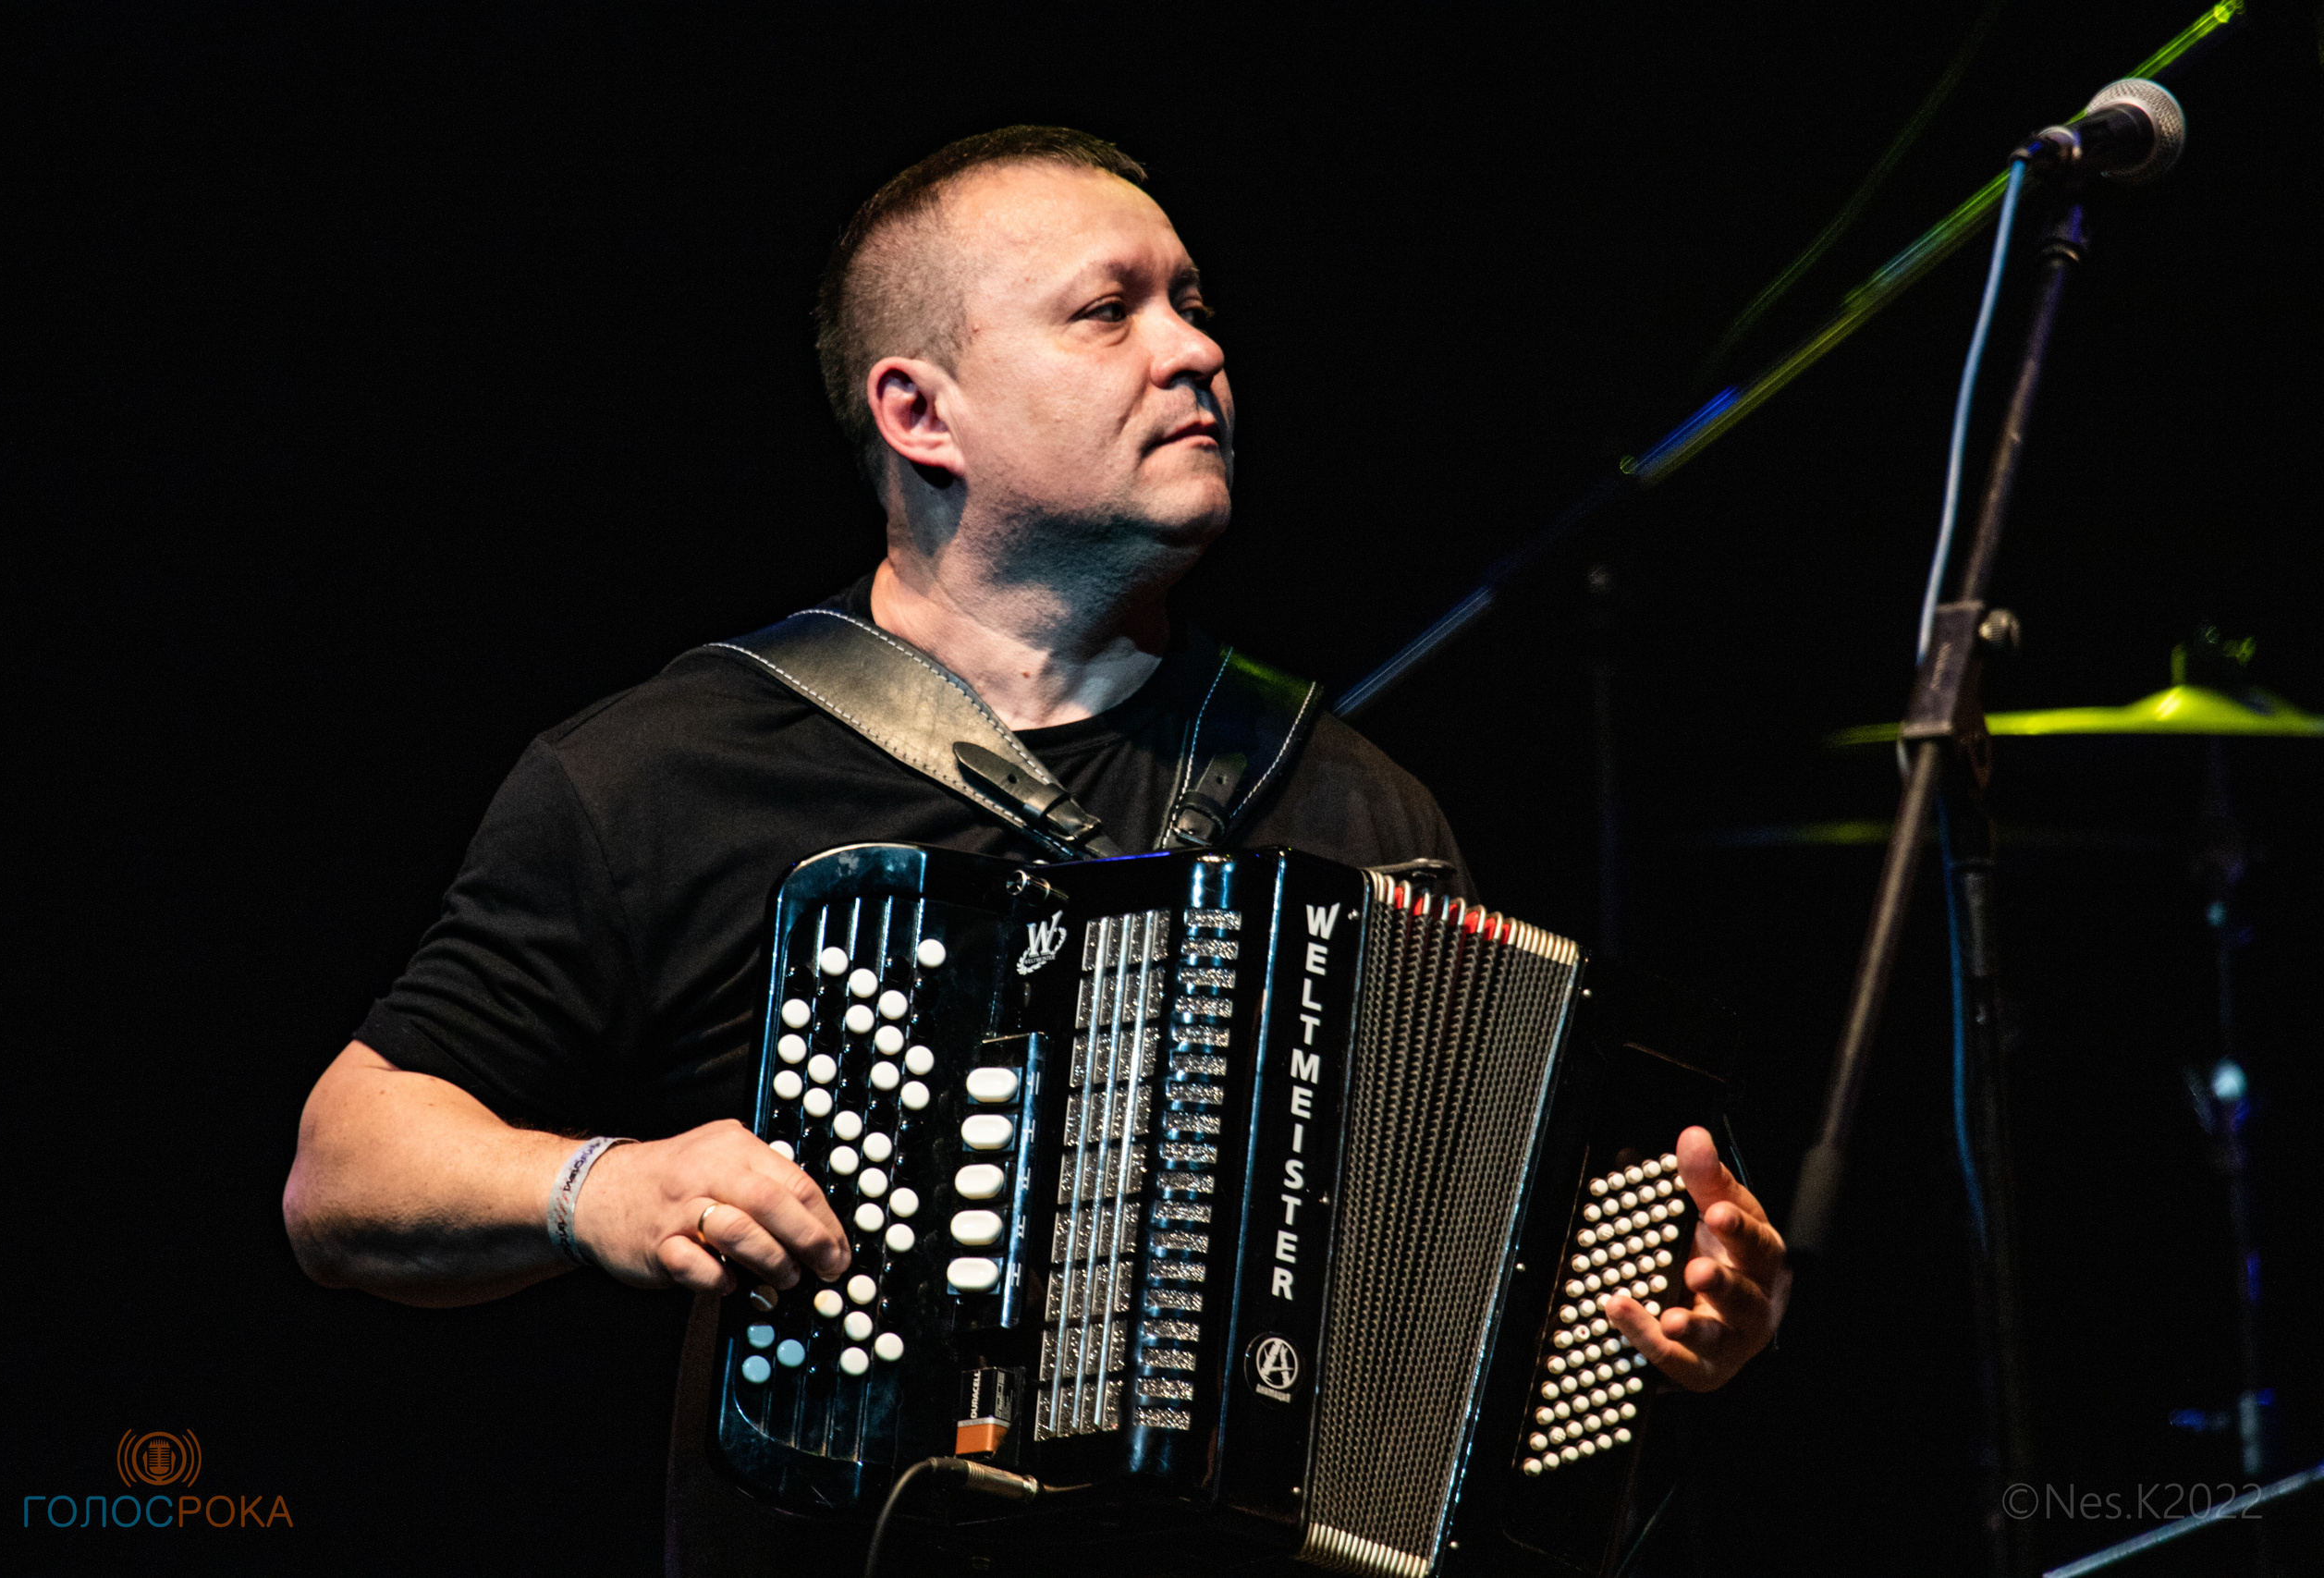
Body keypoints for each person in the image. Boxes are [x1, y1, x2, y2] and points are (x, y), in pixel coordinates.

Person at [282, 125, 1790, 1563]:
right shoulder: (667, 774)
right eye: (1104, 313)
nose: (1193, 349)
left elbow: (1452, 1332)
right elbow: (344, 1171)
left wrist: (1655, 1320)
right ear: (918, 414)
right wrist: (593, 1188)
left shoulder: (1349, 800)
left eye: (1192, 304)